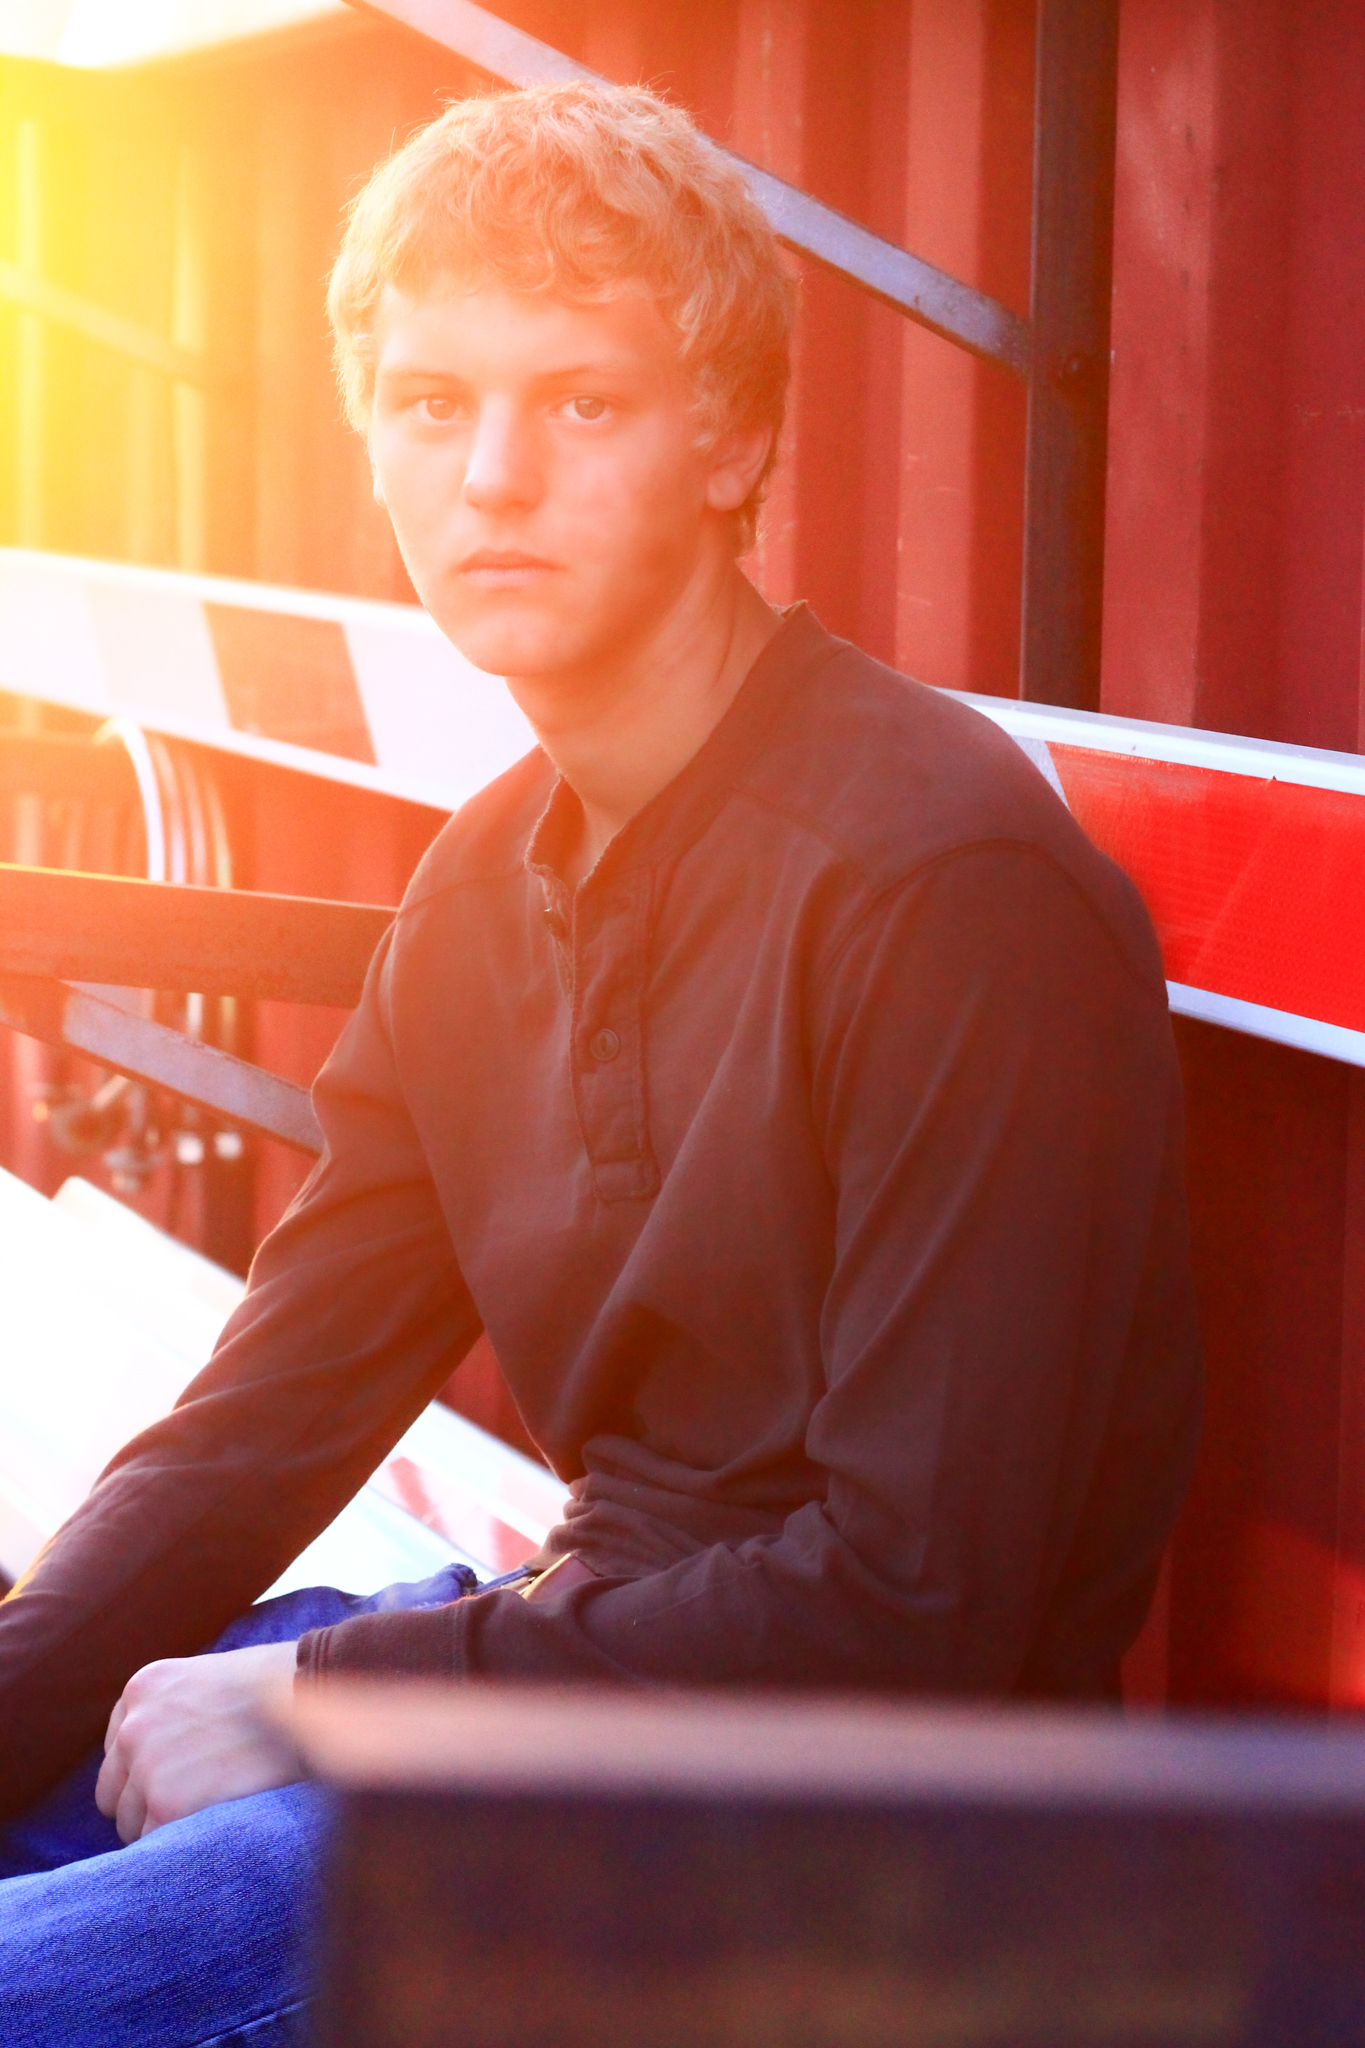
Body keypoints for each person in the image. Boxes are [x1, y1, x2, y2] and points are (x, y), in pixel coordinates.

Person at [0, 80, 1201, 2046]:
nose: (492, 476)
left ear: (730, 440)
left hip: (861, 1846)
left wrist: (328, 1700)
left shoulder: (941, 882)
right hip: (555, 1703)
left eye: (580, 403)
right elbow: (251, 1431)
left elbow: (917, 1607)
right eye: (429, 403)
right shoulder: (480, 895)